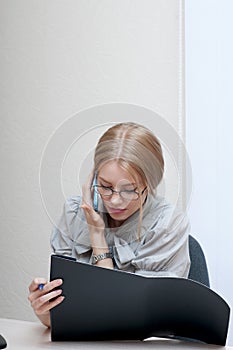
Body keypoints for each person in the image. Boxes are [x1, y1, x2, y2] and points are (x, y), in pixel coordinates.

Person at [28, 122, 191, 327]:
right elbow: (67, 315)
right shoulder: (74, 213)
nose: (114, 200)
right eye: (105, 186)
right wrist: (46, 312)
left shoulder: (167, 225)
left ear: (150, 185)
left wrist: (97, 237)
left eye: (130, 189)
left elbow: (121, 320)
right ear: (93, 178)